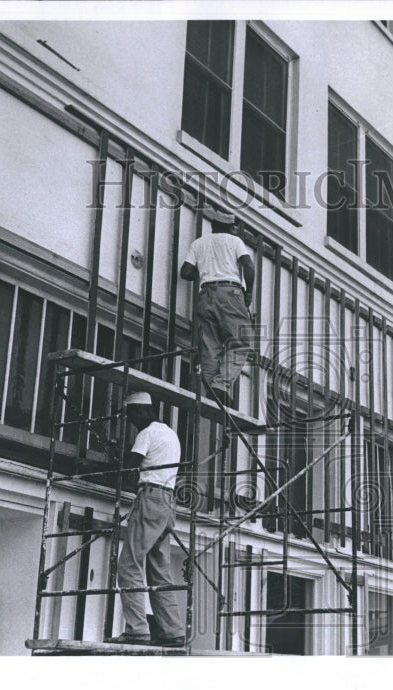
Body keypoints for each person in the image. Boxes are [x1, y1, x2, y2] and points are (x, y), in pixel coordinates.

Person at [109, 391, 185, 647]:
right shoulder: (171, 434)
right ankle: (173, 632)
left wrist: (106, 464)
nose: (131, 422)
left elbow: (130, 466)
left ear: (142, 410)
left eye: (131, 416)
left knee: (128, 565)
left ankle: (137, 630)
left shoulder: (147, 433)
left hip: (150, 498)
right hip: (168, 502)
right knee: (160, 571)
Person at [180, 207, 256, 408]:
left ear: (213, 226)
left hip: (206, 295)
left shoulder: (198, 244)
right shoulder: (234, 241)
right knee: (240, 341)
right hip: (230, 294)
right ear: (231, 228)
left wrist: (206, 274)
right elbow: (249, 266)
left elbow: (186, 272)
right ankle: (221, 385)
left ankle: (212, 390)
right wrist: (248, 292)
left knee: (210, 346)